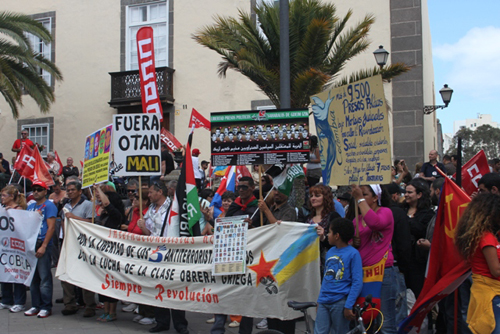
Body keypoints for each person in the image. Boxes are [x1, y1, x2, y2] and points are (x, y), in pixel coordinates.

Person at [138, 182, 189, 334]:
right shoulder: (151, 210)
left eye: (151, 192)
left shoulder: (174, 206)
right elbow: (150, 234)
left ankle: (180, 324)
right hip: (156, 253)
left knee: (175, 288)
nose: (149, 195)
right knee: (158, 287)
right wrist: (143, 228)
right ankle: (162, 321)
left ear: (160, 192)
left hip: (171, 252)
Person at [350, 184, 396, 334]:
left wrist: (359, 198)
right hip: (363, 273)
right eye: (359, 194)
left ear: (376, 198)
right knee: (366, 318)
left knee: (385, 320)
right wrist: (353, 243)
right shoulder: (357, 219)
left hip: (383, 271)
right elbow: (350, 244)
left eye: (365, 194)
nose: (360, 197)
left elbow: (375, 223)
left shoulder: (386, 212)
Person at [455, 193, 500, 334]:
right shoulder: (487, 238)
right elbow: (496, 270)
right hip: (490, 295)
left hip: (485, 292)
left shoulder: (479, 235)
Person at [314, 217, 363, 334]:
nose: (327, 235)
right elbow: (325, 278)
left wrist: (348, 305)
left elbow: (357, 282)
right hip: (324, 301)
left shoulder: (353, 254)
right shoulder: (330, 252)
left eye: (329, 232)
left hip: (340, 302)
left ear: (337, 236)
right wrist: (319, 300)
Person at [59, 181, 96, 318]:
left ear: (80, 191)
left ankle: (90, 305)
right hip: (68, 242)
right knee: (65, 273)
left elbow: (91, 222)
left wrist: (74, 218)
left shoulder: (87, 205)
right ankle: (69, 303)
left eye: (72, 190)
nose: (69, 192)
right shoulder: (66, 205)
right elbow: (63, 221)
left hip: (83, 244)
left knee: (85, 274)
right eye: (68, 190)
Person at [24, 180, 57, 318]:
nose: (35, 192)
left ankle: (45, 306)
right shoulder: (30, 207)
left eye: (39, 189)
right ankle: (35, 305)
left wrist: (44, 245)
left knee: (44, 277)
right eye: (34, 189)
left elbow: (51, 227)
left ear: (45, 191)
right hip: (31, 244)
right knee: (33, 278)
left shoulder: (49, 206)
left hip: (42, 243)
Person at [94, 183, 126, 322]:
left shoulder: (116, 215)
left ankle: (112, 312)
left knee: (111, 282)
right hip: (102, 252)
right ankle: (106, 310)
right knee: (103, 282)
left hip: (113, 253)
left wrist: (97, 189)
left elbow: (106, 203)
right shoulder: (103, 214)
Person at [124, 189, 156, 326]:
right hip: (135, 253)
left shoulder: (148, 214)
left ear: (144, 201)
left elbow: (150, 234)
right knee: (138, 283)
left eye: (137, 198)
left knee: (147, 284)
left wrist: (143, 228)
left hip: (146, 253)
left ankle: (150, 314)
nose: (133, 200)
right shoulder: (135, 212)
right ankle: (141, 310)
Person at [403, 179, 434, 298]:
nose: (406, 195)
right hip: (404, 262)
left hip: (419, 263)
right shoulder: (402, 210)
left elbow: (421, 230)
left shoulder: (428, 214)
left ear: (419, 194)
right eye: (405, 192)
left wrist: (405, 221)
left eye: (410, 192)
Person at [0, 185, 27, 313]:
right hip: (5, 248)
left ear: (12, 196)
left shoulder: (19, 209)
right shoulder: (2, 209)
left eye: (4, 195)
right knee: (4, 271)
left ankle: (19, 301)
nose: (2, 198)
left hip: (16, 248)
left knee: (17, 273)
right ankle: (6, 300)